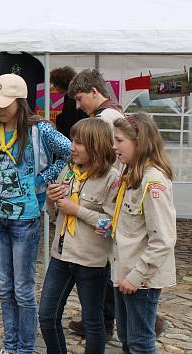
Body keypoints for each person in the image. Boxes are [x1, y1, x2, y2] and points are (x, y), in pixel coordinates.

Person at [0, 74, 70, 354]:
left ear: (20, 101)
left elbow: (69, 152)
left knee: (23, 290)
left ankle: (24, 349)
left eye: (6, 103)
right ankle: (10, 345)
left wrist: (41, 181)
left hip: (25, 219)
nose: (0, 109)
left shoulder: (41, 129)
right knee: (4, 287)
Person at [66, 69, 166, 339]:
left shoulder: (107, 119)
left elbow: (161, 238)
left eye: (80, 98)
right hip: (124, 243)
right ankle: (117, 322)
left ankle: (122, 323)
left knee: (137, 336)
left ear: (95, 92)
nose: (78, 105)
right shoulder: (114, 115)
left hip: (134, 260)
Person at [39, 118, 118, 354]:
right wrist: (51, 201)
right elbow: (55, 214)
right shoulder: (69, 171)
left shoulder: (111, 179)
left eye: (79, 143)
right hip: (61, 256)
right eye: (72, 141)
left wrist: (78, 211)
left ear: (96, 146)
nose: (72, 147)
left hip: (91, 261)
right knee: (46, 316)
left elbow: (112, 223)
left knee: (93, 323)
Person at [105, 113, 176, 354]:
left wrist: (136, 277)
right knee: (127, 338)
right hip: (124, 272)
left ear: (139, 142)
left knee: (140, 343)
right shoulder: (134, 176)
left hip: (139, 279)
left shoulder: (153, 181)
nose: (114, 146)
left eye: (119, 140)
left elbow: (163, 239)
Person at [50, 67, 88, 139]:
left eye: (55, 85)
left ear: (61, 84)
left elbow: (69, 123)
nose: (55, 88)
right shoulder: (72, 96)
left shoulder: (71, 99)